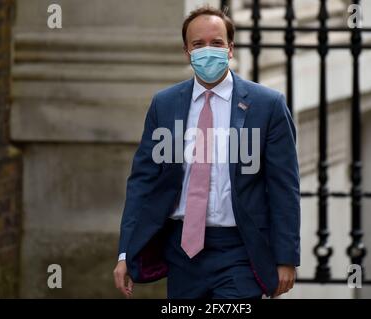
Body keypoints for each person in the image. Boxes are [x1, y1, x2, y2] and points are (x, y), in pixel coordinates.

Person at [113, 5, 300, 299]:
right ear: (187, 52)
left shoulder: (268, 106)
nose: (207, 51)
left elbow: (283, 187)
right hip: (181, 253)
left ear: (230, 49)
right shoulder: (164, 104)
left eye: (216, 43)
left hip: (239, 250)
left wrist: (286, 257)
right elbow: (143, 183)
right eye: (198, 45)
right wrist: (125, 252)